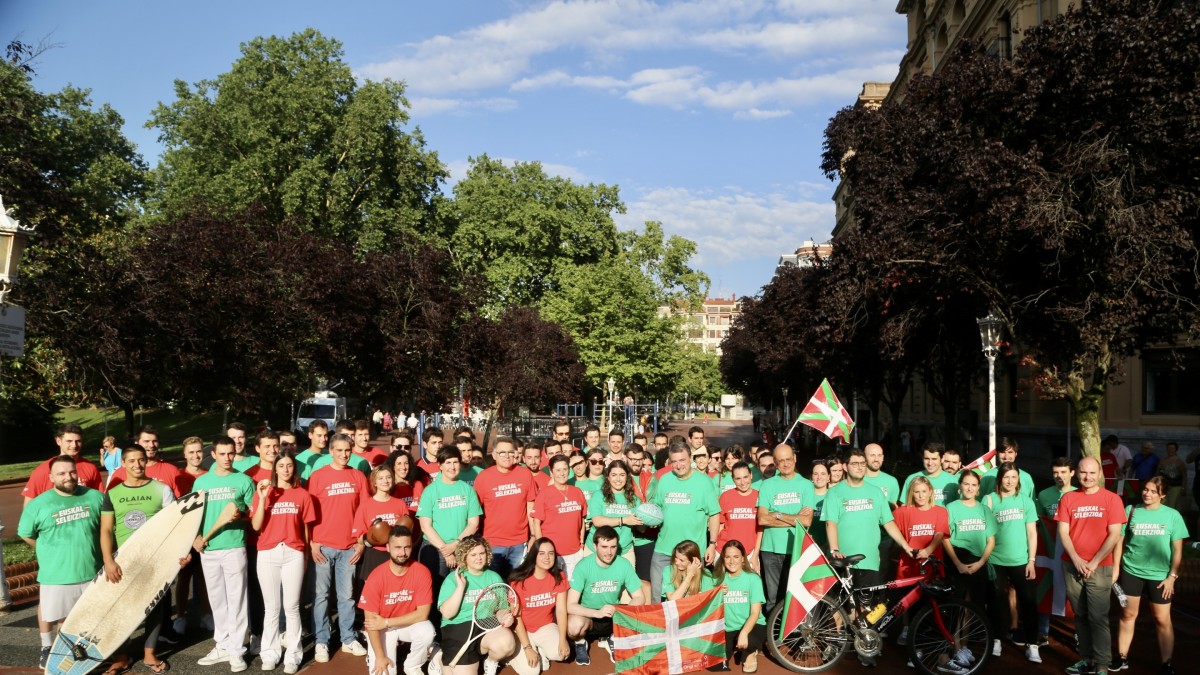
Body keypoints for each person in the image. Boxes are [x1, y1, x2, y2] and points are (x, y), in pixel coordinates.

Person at [822, 447, 913, 666]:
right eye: (855, 463)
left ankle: (864, 647)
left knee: (865, 607)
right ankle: (835, 643)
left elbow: (888, 523)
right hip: (842, 560)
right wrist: (834, 549)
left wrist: (905, 545)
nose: (860, 467)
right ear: (845, 467)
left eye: (862, 464)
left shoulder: (875, 492)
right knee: (838, 605)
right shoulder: (835, 492)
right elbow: (830, 522)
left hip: (869, 559)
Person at [18, 455, 104, 669]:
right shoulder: (39, 504)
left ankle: (83, 658)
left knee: (90, 619)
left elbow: (106, 529)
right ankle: (52, 652)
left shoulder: (95, 497)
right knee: (62, 621)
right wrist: (48, 549)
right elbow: (25, 533)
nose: (68, 477)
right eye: (62, 474)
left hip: (93, 572)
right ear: (51, 477)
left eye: (72, 472)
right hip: (58, 574)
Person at [100, 445, 177, 674]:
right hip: (124, 560)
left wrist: (172, 557)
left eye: (141, 460)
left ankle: (149, 653)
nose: (137, 465)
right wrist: (108, 560)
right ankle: (121, 656)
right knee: (119, 608)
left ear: (146, 461)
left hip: (155, 559)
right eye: (131, 461)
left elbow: (173, 526)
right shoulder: (113, 493)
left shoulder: (161, 489)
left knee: (154, 607)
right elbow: (105, 530)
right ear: (123, 464)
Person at [1056, 457, 1125, 675]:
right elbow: (1063, 532)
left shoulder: (1112, 499)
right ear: (1076, 473)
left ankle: (1103, 665)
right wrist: (1076, 559)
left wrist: (1093, 562)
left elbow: (1115, 534)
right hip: (1072, 566)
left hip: (1100, 567)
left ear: (1100, 474)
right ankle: (1086, 659)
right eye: (1084, 473)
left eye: (1093, 473)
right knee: (1080, 615)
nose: (1088, 477)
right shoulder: (1068, 498)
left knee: (1098, 617)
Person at [193, 436, 256, 673]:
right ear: (214, 455)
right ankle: (222, 644)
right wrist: (195, 538)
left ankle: (237, 650)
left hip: (233, 546)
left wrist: (242, 517)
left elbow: (254, 514)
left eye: (231, 453)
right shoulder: (201, 483)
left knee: (236, 599)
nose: (227, 458)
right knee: (217, 599)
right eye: (222, 454)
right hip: (208, 548)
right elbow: (193, 515)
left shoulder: (243, 480)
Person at [1111, 476, 1185, 675]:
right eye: (1145, 489)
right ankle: (1122, 657)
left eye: (1153, 491)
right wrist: (1116, 568)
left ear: (1163, 495)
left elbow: (1177, 551)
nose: (1147, 494)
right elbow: (1119, 542)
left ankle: (1166, 663)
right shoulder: (1131, 510)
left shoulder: (1173, 516)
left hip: (1160, 576)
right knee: (1127, 614)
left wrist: (1172, 577)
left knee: (1162, 619)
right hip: (1131, 572)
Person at [250, 451, 315, 673]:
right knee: (272, 608)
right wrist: (262, 498)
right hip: (267, 553)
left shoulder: (302, 495)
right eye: (281, 466)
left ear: (294, 469)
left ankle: (293, 655)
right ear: (274, 469)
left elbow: (306, 530)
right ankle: (269, 652)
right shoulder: (265, 492)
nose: (285, 470)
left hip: (293, 553)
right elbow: (256, 526)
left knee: (292, 607)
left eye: (289, 466)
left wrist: (305, 556)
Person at [308, 433, 370, 661]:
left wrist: (361, 541)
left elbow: (364, 512)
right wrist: (313, 543)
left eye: (347, 450)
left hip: (349, 547)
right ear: (331, 451)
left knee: (347, 596)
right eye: (339, 450)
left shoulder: (358, 476)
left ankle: (347, 638)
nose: (344, 454)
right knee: (321, 596)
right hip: (323, 546)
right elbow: (309, 514)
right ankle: (321, 641)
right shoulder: (317, 477)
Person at [359, 525, 436, 675]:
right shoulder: (376, 577)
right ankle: (374, 655)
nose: (402, 553)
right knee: (384, 671)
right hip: (380, 628)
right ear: (388, 547)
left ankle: (412, 665)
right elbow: (371, 623)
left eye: (407, 547)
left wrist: (387, 622)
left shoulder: (422, 572)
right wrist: (380, 657)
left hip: (402, 623)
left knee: (427, 631)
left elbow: (422, 615)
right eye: (397, 547)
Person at [436, 537, 518, 675]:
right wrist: (461, 587)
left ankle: (491, 661)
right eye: (473, 555)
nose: (479, 558)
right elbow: (448, 614)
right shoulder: (453, 579)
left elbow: (501, 609)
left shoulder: (494, 577)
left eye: (482, 553)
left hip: (485, 624)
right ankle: (438, 658)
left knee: (507, 643)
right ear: (464, 557)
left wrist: (504, 616)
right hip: (458, 627)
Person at [983, 463, 1040, 662]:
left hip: (1021, 561)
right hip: (995, 560)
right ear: (1000, 479)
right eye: (1006, 477)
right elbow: (984, 533)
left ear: (1018, 480)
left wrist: (1031, 560)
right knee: (995, 602)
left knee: (1029, 603)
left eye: (1014, 477)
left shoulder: (1026, 502)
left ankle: (1032, 644)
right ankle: (996, 639)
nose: (1010, 481)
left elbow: (1032, 533)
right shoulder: (989, 500)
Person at [416, 447, 483, 615]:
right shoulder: (430, 490)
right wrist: (446, 551)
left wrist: (456, 545)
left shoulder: (467, 490)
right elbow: (425, 526)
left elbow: (473, 523)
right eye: (448, 463)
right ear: (440, 465)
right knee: (435, 590)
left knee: (460, 590)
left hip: (461, 548)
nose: (452, 467)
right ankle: (436, 633)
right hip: (434, 549)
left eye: (455, 462)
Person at [566, 526, 646, 666]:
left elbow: (640, 597)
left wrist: (621, 612)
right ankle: (580, 642)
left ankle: (613, 638)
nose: (609, 552)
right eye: (604, 546)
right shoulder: (583, 566)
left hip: (612, 614)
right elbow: (570, 605)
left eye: (613, 547)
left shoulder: (623, 564)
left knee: (640, 613)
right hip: (589, 616)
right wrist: (597, 613)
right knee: (573, 627)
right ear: (595, 546)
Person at [650, 444, 721, 601]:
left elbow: (715, 513)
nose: (678, 465)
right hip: (664, 549)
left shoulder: (704, 482)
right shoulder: (665, 480)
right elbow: (657, 508)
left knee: (690, 598)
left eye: (682, 460)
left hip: (692, 553)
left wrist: (712, 543)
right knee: (657, 598)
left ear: (691, 459)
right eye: (674, 461)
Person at [756, 444, 815, 610]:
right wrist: (795, 517)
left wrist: (778, 514)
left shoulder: (806, 485)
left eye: (788, 459)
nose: (786, 463)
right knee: (773, 599)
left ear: (795, 459)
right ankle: (774, 635)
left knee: (795, 597)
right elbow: (762, 519)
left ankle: (793, 635)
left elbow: (807, 521)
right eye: (781, 461)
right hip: (770, 549)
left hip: (796, 549)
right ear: (775, 462)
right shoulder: (767, 485)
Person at [891, 476, 948, 647]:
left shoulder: (940, 511)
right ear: (911, 493)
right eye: (916, 492)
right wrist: (904, 544)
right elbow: (887, 523)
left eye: (924, 491)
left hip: (931, 566)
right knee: (909, 604)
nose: (921, 495)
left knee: (931, 606)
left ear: (930, 491)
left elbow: (939, 534)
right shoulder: (903, 511)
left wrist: (927, 551)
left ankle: (926, 641)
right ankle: (909, 632)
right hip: (908, 566)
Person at [473, 437, 537, 575]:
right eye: (502, 453)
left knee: (516, 582)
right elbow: (476, 512)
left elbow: (530, 507)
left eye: (510, 452)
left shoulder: (524, 473)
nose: (507, 456)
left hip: (520, 543)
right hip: (492, 543)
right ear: (494, 455)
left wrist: (533, 535)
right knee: (495, 585)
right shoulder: (483, 478)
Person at [507, 539, 571, 674]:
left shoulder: (559, 576)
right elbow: (516, 616)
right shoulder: (518, 581)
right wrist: (527, 647)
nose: (547, 557)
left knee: (562, 654)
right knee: (532, 672)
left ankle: (540, 649)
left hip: (545, 626)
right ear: (533, 555)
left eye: (551, 553)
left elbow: (561, 610)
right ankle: (510, 656)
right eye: (541, 553)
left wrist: (563, 639)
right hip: (522, 630)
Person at [1034, 457, 1075, 647]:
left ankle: (1079, 635)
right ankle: (1042, 632)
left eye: (1063, 472)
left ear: (1072, 473)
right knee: (1044, 589)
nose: (1059, 476)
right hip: (1050, 553)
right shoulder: (1043, 495)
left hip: (1074, 552)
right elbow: (1039, 523)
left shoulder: (1079, 494)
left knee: (1076, 594)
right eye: (1055, 472)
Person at [943, 471, 997, 612]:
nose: (969, 488)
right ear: (960, 486)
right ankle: (953, 634)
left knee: (977, 604)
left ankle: (975, 633)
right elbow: (945, 538)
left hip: (979, 562)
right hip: (958, 559)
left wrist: (981, 563)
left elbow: (991, 540)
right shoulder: (951, 508)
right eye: (966, 484)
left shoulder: (984, 509)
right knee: (955, 603)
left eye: (973, 485)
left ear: (978, 488)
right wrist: (958, 564)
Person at [713, 541, 766, 674]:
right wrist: (716, 594)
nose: (732, 561)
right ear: (723, 559)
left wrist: (744, 633)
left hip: (752, 625)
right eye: (727, 557)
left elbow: (755, 613)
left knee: (749, 642)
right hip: (728, 627)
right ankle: (735, 646)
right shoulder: (717, 579)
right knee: (715, 666)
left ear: (743, 559)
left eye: (736, 557)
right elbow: (708, 607)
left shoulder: (753, 579)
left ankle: (750, 653)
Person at [532, 455, 588, 578]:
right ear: (551, 472)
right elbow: (536, 522)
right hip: (553, 553)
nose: (562, 473)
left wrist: (582, 542)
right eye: (558, 470)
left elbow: (582, 519)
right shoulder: (545, 493)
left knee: (574, 589)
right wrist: (542, 548)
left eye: (565, 469)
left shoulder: (577, 492)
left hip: (575, 552)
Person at [352, 466, 412, 579]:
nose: (385, 481)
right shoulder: (365, 506)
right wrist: (373, 537)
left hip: (397, 554)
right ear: (374, 482)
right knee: (373, 591)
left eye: (388, 477)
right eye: (381, 478)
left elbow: (406, 531)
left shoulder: (400, 504)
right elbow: (359, 538)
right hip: (375, 554)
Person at [22, 424, 104, 505]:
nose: (74, 445)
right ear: (58, 441)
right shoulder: (42, 470)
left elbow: (100, 500)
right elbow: (29, 507)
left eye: (78, 441)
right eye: (69, 441)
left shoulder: (90, 468)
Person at [586, 460, 644, 567]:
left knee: (625, 584)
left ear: (627, 477)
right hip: (597, 550)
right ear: (608, 477)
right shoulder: (598, 495)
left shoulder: (635, 499)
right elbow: (597, 521)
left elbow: (640, 528)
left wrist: (648, 521)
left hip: (624, 550)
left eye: (622, 475)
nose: (618, 479)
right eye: (614, 475)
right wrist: (623, 520)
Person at [717, 462, 762, 572]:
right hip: (725, 551)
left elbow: (761, 529)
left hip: (750, 552)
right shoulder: (725, 497)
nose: (743, 482)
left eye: (745, 477)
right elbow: (720, 526)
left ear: (751, 475)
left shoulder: (759, 496)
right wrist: (716, 550)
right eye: (738, 478)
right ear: (733, 479)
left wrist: (755, 555)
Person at [808, 462, 832, 552]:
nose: (819, 477)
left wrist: (827, 545)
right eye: (815, 474)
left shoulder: (834, 496)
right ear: (811, 477)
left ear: (829, 477)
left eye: (823, 474)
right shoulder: (805, 497)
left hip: (829, 548)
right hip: (808, 546)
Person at [1158, 442, 1186, 510]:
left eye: (1172, 448)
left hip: (1175, 486)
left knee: (1172, 504)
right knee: (1163, 503)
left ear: (1176, 450)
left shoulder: (1179, 461)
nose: (1170, 450)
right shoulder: (1162, 460)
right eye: (1169, 448)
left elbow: (1184, 475)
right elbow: (1157, 472)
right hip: (1164, 485)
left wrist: (1183, 487)